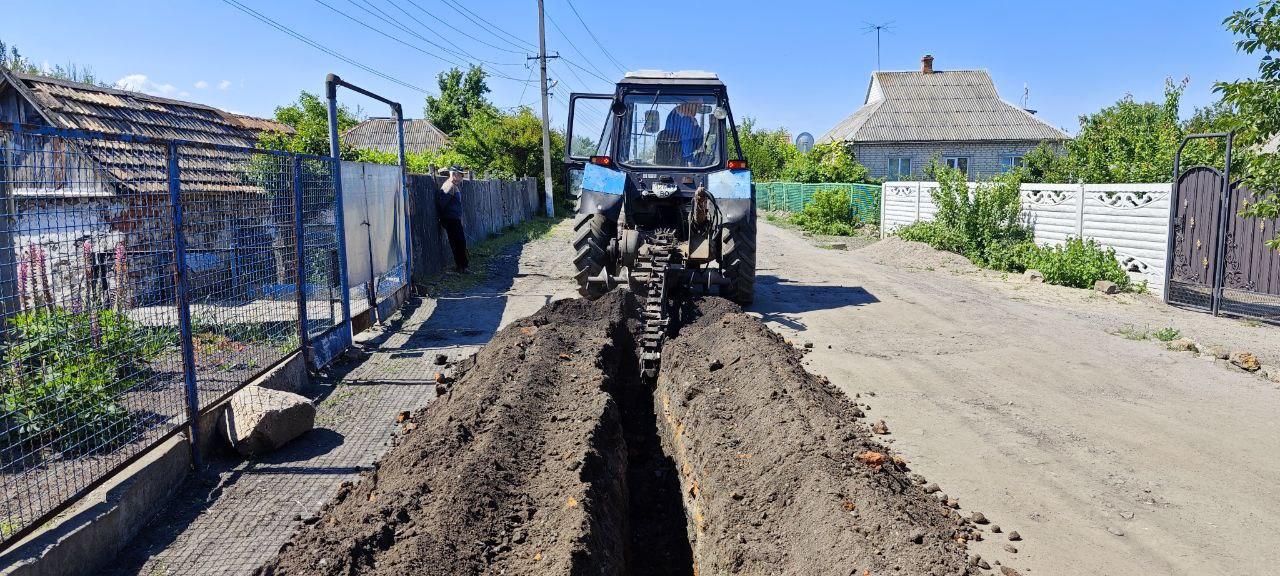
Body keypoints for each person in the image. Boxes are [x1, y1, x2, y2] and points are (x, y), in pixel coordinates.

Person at [436, 165, 469, 273]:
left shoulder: (453, 186)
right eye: (460, 175)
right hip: (451, 219)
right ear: (454, 174)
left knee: (460, 242)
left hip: (454, 219)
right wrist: (443, 219)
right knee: (457, 242)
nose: (462, 177)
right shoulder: (449, 186)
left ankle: (463, 266)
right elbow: (441, 204)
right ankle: (461, 267)